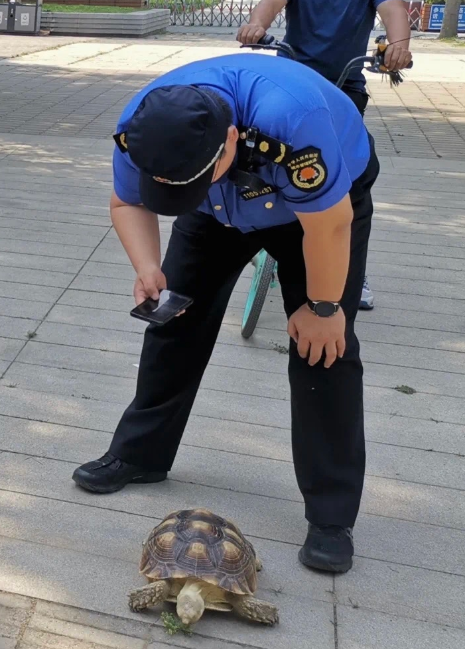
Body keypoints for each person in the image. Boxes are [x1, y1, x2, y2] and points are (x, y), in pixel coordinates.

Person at [73, 51, 381, 574]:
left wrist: (325, 308)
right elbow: (128, 203)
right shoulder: (140, 128)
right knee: (173, 319)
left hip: (318, 210)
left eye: (191, 182)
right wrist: (148, 267)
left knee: (322, 349)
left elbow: (329, 225)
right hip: (214, 214)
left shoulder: (292, 122)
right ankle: (141, 455)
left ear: (231, 142)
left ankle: (331, 516)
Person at [237, 0, 412, 310]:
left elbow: (394, 11)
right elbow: (271, 3)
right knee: (266, 154)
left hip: (345, 87)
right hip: (292, 80)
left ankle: (350, 270)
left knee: (350, 177)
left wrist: (398, 46)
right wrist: (257, 25)